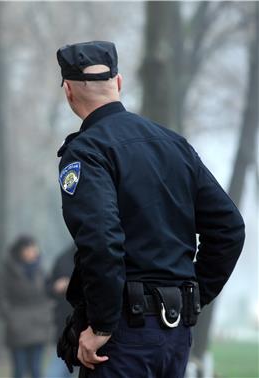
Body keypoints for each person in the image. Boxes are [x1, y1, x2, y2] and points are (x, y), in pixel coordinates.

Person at [54, 41, 245, 377]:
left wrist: (101, 326)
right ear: (119, 82)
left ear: (68, 91)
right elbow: (228, 227)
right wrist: (193, 294)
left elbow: (101, 239)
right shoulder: (174, 145)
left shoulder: (87, 151)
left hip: (122, 335)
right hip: (175, 335)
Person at [0, 235, 54, 378]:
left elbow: (47, 294)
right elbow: (0, 299)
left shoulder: (40, 270)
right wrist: (11, 319)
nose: (33, 251)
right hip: (18, 328)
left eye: (34, 248)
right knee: (19, 370)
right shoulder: (6, 272)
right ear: (20, 251)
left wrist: (47, 313)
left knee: (36, 370)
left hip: (39, 325)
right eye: (29, 248)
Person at [45, 246, 76, 378]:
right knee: (59, 366)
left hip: (95, 323)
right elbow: (48, 287)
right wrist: (55, 287)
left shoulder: (100, 253)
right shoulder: (63, 258)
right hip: (66, 321)